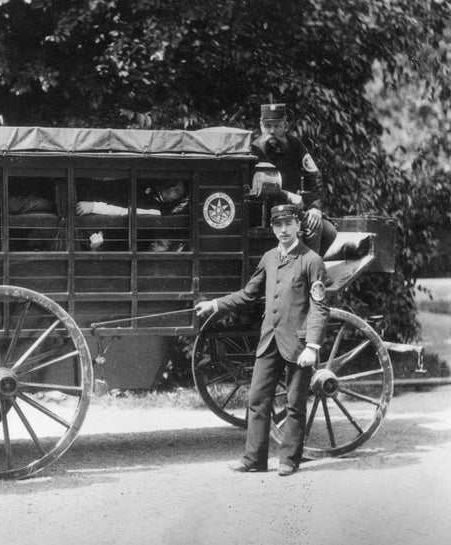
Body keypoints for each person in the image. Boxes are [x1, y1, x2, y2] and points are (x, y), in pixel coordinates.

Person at [195, 204, 329, 476]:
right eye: (278, 225)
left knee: (295, 404)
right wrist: (215, 304)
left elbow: (320, 307)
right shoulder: (269, 257)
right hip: (269, 341)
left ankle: (289, 460)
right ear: (272, 228)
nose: (283, 230)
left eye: (288, 224)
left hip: (299, 344)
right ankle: (254, 459)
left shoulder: (311, 260)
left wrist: (313, 347)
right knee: (257, 399)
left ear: (298, 226)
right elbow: (248, 294)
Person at [251, 103, 337, 255]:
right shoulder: (254, 150)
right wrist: (287, 195)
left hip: (296, 210)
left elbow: (314, 176)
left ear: (285, 125)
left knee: (328, 231)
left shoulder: (295, 145)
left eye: (277, 126)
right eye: (267, 126)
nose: (272, 131)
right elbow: (256, 185)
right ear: (260, 125)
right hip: (266, 211)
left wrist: (315, 207)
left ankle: (309, 270)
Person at [76, 180, 188, 251]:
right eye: (171, 184)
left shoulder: (158, 211)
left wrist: (94, 206)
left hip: (115, 243)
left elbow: (127, 212)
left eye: (177, 191)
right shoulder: (143, 187)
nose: (171, 189)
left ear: (178, 198)